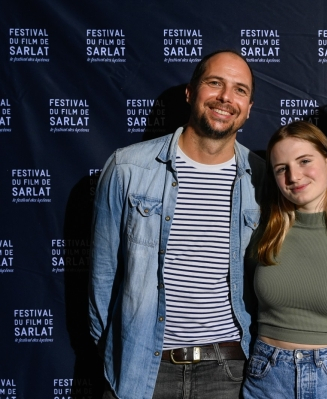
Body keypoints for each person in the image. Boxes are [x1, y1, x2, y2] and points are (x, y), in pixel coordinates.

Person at [89, 49, 264, 399]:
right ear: (190, 92)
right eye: (214, 83)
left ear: (248, 108)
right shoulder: (128, 168)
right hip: (142, 369)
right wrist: (116, 354)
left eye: (239, 90)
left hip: (228, 370)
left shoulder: (261, 177)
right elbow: (102, 276)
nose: (226, 98)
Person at [242, 121, 327, 398]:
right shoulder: (262, 233)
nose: (294, 176)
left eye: (304, 161)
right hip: (266, 375)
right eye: (281, 169)